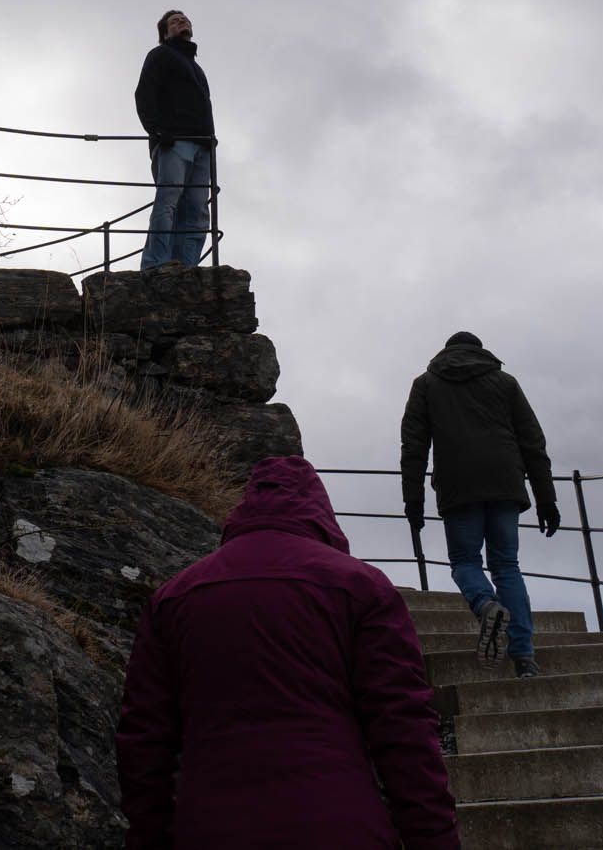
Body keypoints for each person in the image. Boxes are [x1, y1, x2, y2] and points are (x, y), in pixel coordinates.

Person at [116, 456, 461, 850]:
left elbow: (143, 739)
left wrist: (150, 837)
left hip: (210, 829)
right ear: (321, 511)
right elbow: (403, 729)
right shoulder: (363, 588)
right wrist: (435, 839)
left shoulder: (173, 597)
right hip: (341, 827)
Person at [399, 331, 561, 679]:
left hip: (458, 487)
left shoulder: (426, 385)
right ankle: (524, 657)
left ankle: (486, 604)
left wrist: (413, 499)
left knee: (464, 562)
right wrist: (546, 499)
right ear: (481, 352)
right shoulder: (505, 383)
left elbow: (414, 446)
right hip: (505, 482)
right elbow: (533, 442)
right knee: (507, 566)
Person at [132, 9, 216, 269]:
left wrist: (211, 139)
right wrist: (156, 130)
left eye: (185, 19)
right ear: (165, 34)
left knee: (197, 211)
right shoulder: (160, 55)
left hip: (202, 145)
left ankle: (187, 268)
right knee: (168, 201)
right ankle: (155, 265)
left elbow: (205, 106)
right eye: (174, 21)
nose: (182, 22)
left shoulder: (197, 69)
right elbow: (144, 93)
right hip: (174, 141)